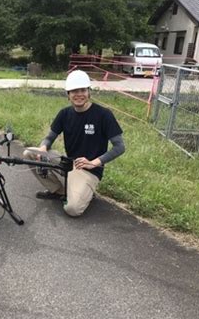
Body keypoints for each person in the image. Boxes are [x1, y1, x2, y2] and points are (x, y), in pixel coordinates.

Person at [23, 70, 125, 217]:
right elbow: (50, 137)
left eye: (83, 90)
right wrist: (43, 148)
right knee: (29, 154)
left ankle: (83, 191)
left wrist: (94, 162)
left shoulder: (103, 114)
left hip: (89, 170)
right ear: (68, 94)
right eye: (74, 91)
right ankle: (59, 191)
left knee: (73, 209)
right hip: (69, 163)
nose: (79, 94)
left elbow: (120, 147)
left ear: (89, 92)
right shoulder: (64, 114)